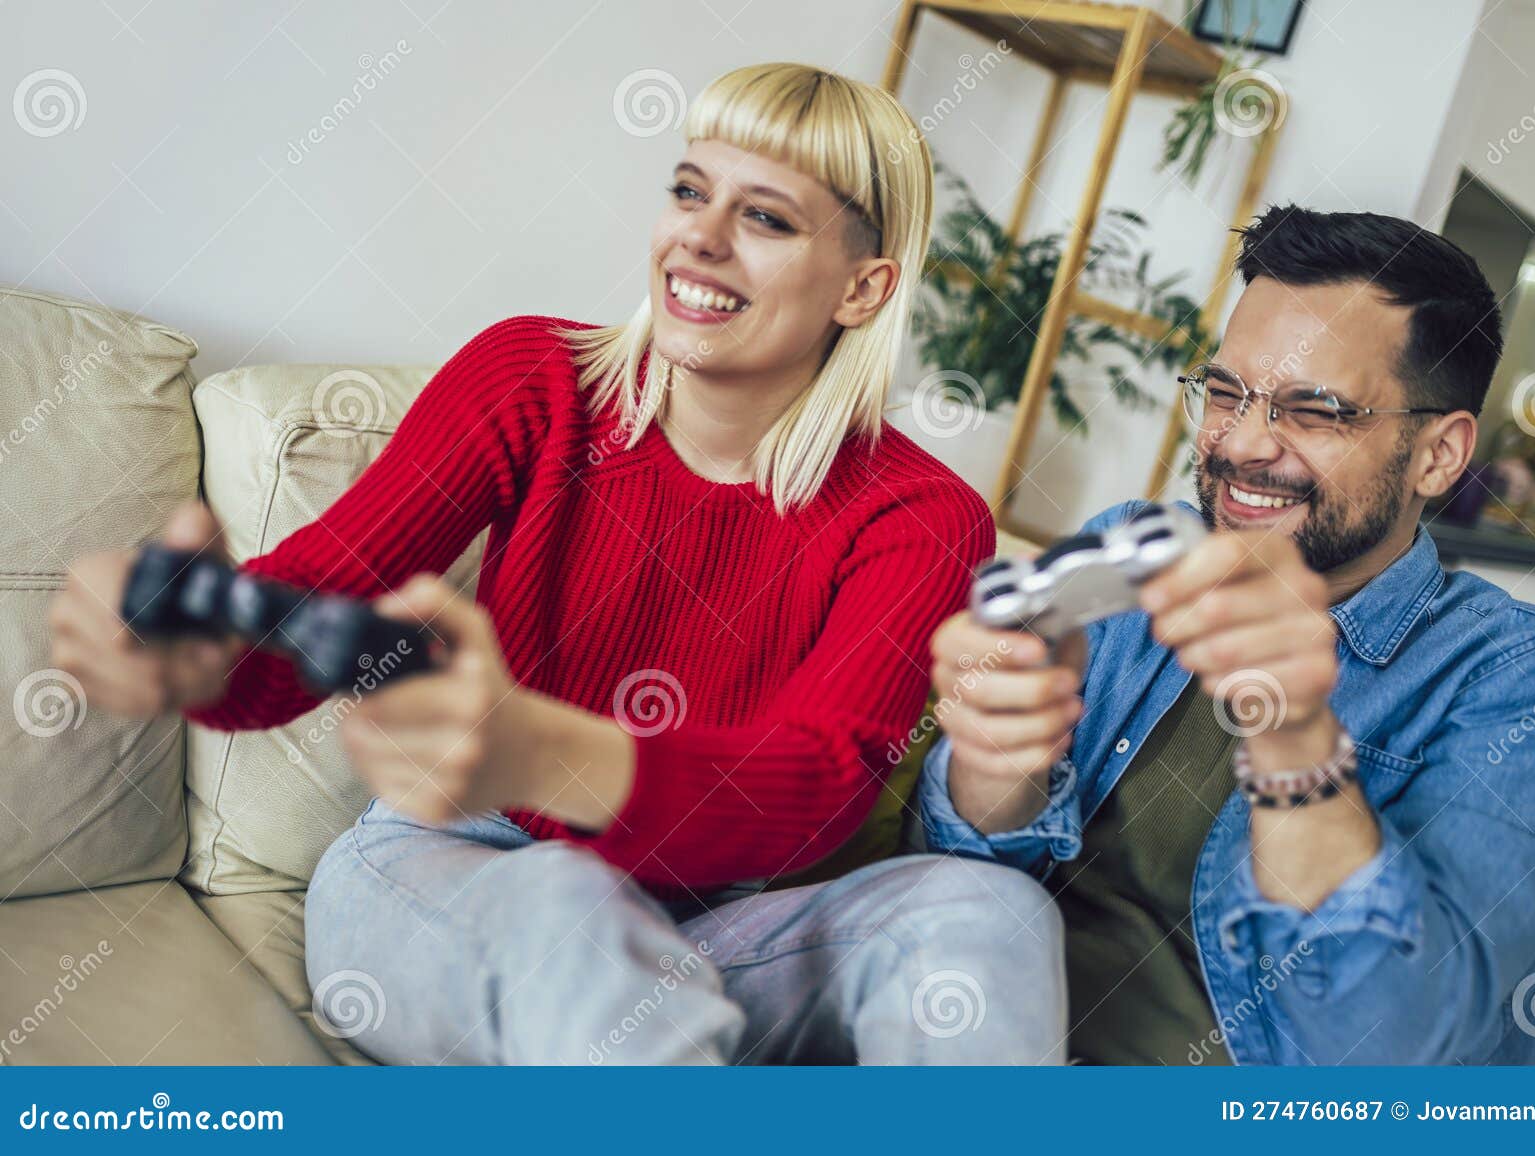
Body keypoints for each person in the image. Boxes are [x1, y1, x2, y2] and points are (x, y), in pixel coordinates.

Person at [48, 63, 1066, 1065]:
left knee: (991, 910)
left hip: (702, 937)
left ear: (863, 287)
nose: (698, 239)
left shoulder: (920, 515)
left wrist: (546, 751)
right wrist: (200, 648)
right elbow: (311, 601)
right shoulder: (532, 381)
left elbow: (816, 783)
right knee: (566, 906)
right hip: (457, 877)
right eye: (688, 191)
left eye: (765, 218)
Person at [918, 205, 1535, 1065]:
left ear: (1439, 455)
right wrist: (996, 755)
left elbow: (1395, 1051)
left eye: (1313, 411)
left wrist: (1291, 733)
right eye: (1227, 393)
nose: (1240, 444)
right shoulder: (1131, 545)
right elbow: (960, 876)